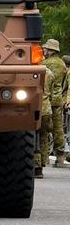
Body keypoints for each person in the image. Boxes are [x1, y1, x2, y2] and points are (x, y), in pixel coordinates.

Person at [42, 39, 68, 167]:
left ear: (51, 50)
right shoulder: (62, 64)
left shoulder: (44, 64)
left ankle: (44, 157)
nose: (44, 50)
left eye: (46, 49)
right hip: (58, 100)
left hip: (46, 100)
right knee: (58, 129)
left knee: (44, 129)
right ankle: (60, 157)